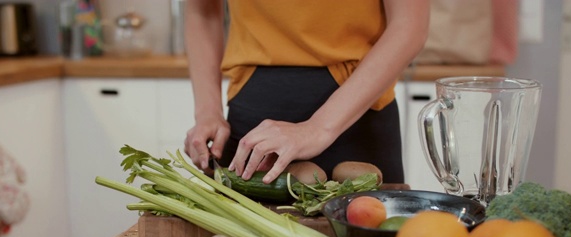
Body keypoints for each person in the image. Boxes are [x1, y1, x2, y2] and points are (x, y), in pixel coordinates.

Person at [183, 0, 430, 184]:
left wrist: (318, 128)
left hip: (358, 116)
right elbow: (202, 12)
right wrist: (207, 112)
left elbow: (409, 25)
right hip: (250, 127)